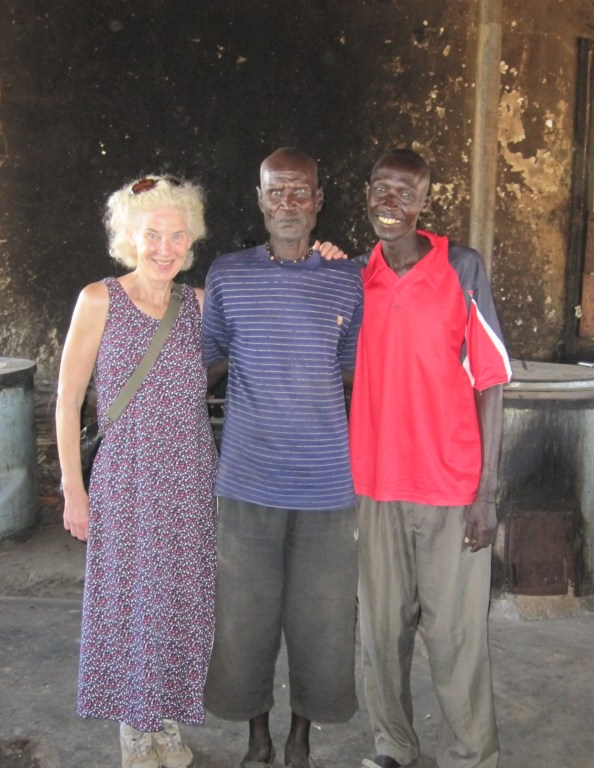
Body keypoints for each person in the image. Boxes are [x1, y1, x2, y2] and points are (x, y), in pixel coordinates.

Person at [201, 147, 364, 768]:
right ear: (260, 199)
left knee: (320, 623)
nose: (289, 205)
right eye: (277, 193)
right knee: (246, 623)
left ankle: (301, 737)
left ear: (319, 202)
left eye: (302, 193)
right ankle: (257, 738)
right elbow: (208, 358)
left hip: (327, 485)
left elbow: (356, 374)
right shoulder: (228, 275)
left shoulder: (346, 278)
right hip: (246, 481)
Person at [349, 149, 512, 768]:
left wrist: (487, 493)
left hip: (451, 486)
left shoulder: (462, 269)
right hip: (376, 484)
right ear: (366, 193)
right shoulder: (355, 275)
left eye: (405, 194)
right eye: (381, 191)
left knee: (455, 637)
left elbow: (491, 381)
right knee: (381, 633)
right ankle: (394, 748)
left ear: (422, 204)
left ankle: (473, 756)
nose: (390, 205)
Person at [55, 175, 217, 768]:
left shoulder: (200, 305)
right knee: (131, 602)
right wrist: (75, 488)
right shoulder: (98, 299)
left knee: (181, 602)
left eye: (177, 235)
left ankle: (167, 721)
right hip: (126, 480)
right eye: (153, 234)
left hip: (191, 481)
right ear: (129, 237)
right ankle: (134, 728)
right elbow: (68, 400)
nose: (165, 247)